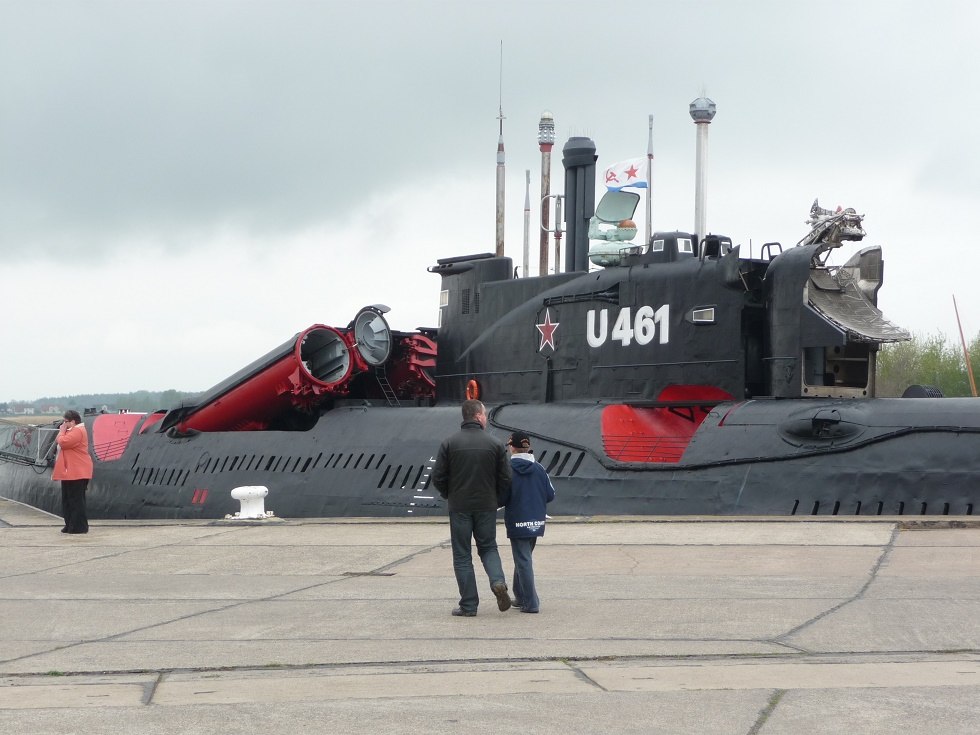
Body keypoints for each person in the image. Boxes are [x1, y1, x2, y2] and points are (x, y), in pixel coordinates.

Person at [432, 399, 513, 617]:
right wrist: (494, 497)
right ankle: (498, 581)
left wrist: (450, 494)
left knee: (462, 555)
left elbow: (438, 476)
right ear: (478, 416)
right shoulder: (495, 444)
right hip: (486, 505)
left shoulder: (449, 443)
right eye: (485, 414)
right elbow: (506, 478)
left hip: (459, 506)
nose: (486, 418)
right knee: (488, 548)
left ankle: (468, 606)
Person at [504, 430, 555, 614]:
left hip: (517, 521)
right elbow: (550, 495)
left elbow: (502, 497)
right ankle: (520, 595)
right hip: (536, 522)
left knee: (523, 560)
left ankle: (531, 602)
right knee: (524, 558)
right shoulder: (539, 468)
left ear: (512, 446)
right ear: (529, 447)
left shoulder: (508, 469)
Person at [52, 410, 94, 534]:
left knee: (76, 500)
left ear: (73, 421)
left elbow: (63, 442)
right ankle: (70, 524)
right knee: (67, 499)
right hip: (70, 471)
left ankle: (79, 527)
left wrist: (61, 431)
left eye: (66, 422)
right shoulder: (71, 431)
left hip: (78, 471)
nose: (64, 424)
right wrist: (63, 432)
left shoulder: (78, 431)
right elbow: (59, 441)